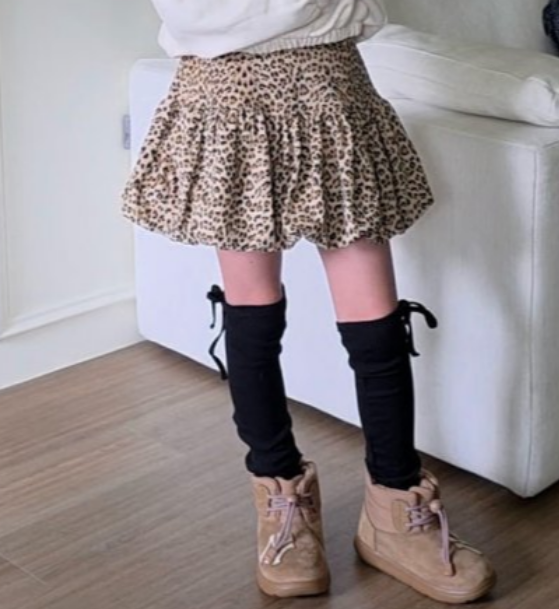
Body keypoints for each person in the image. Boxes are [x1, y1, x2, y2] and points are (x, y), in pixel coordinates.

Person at [122, 0, 496, 603]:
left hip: (330, 88)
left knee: (375, 320)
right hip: (225, 99)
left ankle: (395, 508)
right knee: (251, 312)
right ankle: (281, 499)